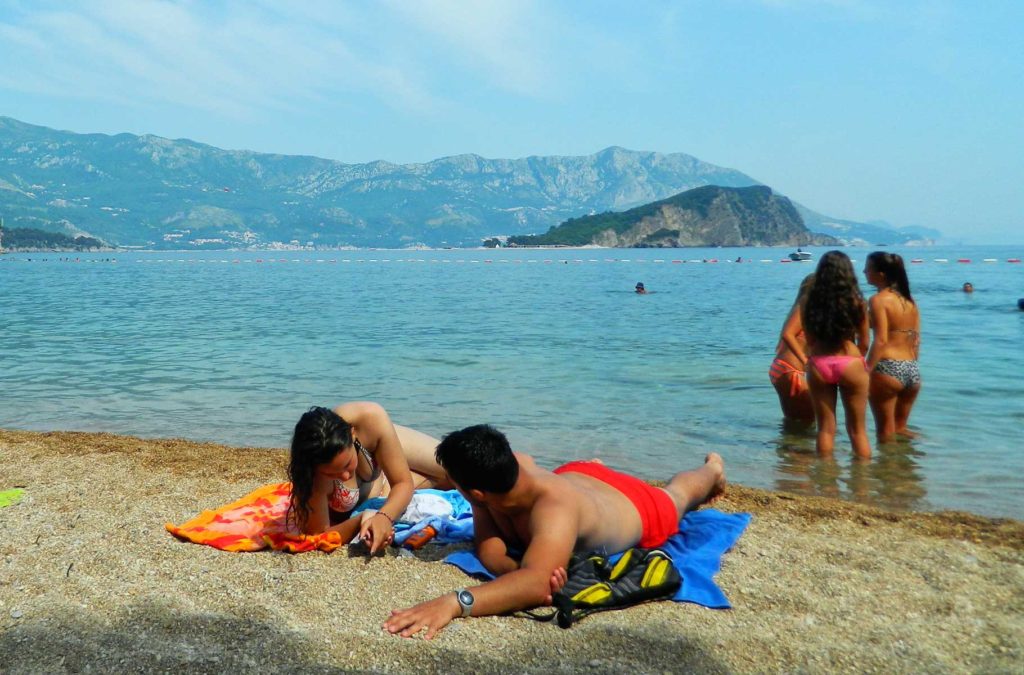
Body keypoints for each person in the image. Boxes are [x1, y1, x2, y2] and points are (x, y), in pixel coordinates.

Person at [383, 425, 726, 639]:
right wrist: (514, 570)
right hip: (574, 474)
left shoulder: (552, 510)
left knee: (678, 496)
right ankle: (596, 468)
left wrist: (455, 602)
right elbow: (488, 549)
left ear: (475, 492)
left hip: (635, 507)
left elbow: (535, 586)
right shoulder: (503, 471)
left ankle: (711, 470)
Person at [287, 402, 450, 552]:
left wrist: (384, 516)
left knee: (457, 469)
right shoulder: (314, 465)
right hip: (380, 488)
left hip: (379, 449)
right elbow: (319, 534)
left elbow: (402, 482)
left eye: (347, 464)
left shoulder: (369, 420)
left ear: (352, 435)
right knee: (448, 482)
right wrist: (360, 520)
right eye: (331, 473)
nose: (344, 476)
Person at [801, 251, 871, 458]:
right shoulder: (858, 302)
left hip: (820, 362)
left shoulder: (808, 302)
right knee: (858, 431)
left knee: (825, 429)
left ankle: (825, 484)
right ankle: (862, 485)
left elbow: (810, 339)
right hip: (850, 361)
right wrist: (858, 360)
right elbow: (865, 342)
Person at [864, 252, 921, 441]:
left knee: (885, 433)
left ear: (881, 274)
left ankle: (886, 470)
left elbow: (880, 341)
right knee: (901, 429)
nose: (864, 271)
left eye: (868, 268)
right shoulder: (910, 301)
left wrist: (865, 372)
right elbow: (916, 341)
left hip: (887, 368)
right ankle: (906, 468)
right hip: (911, 369)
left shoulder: (878, 300)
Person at [770, 274, 815, 421]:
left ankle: (788, 444)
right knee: (810, 420)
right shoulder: (806, 305)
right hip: (791, 370)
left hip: (782, 368)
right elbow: (787, 335)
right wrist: (805, 360)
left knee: (793, 422)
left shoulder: (800, 309)